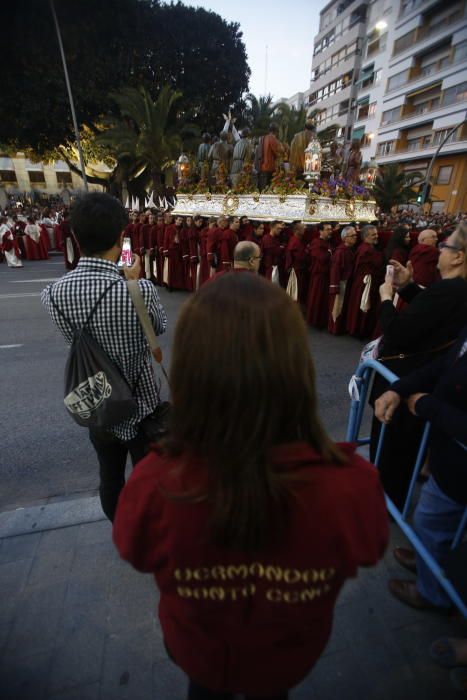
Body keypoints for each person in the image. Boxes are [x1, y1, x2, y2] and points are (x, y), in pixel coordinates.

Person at [113, 272, 388, 700]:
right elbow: (368, 550)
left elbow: (134, 550)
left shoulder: (154, 482)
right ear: (297, 365)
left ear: (190, 369)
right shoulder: (353, 484)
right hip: (289, 654)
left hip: (198, 648)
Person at [41, 193, 167, 521]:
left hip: (99, 401)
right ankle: (150, 532)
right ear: (121, 237)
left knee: (109, 476)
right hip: (141, 406)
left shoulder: (52, 294)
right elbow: (159, 328)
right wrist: (134, 284)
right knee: (151, 479)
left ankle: (120, 527)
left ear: (76, 237)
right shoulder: (140, 290)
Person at [370, 223, 467, 509]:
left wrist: (387, 298)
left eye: (445, 245)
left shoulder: (450, 290)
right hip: (423, 376)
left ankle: (381, 506)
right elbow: (433, 313)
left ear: (459, 256)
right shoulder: (455, 291)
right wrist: (408, 286)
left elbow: (399, 332)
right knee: (402, 452)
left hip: (408, 376)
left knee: (391, 452)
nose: (439, 250)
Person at [375, 320, 467, 613]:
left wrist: (428, 406)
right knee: (437, 527)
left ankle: (433, 593)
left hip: (459, 467)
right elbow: (446, 363)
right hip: (446, 454)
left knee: (429, 521)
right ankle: (428, 559)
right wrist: (399, 389)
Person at [346, 224, 383, 339]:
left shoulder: (367, 248)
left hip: (364, 282)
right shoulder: (366, 250)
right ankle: (359, 330)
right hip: (364, 283)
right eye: (373, 235)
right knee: (361, 305)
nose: (376, 236)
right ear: (366, 236)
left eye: (376, 234)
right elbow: (376, 264)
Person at [328, 226, 357, 335]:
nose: (355, 237)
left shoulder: (348, 250)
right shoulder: (340, 252)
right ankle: (334, 328)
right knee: (337, 306)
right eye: (352, 236)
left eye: (355, 235)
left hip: (346, 283)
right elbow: (335, 270)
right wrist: (335, 286)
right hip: (341, 283)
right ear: (345, 238)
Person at [306, 223, 332, 329]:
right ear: (320, 231)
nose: (330, 231)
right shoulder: (316, 242)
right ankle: (314, 321)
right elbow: (322, 258)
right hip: (318, 275)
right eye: (327, 229)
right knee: (317, 297)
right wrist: (330, 253)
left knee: (322, 298)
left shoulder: (327, 242)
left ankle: (320, 321)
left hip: (325, 275)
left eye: (330, 229)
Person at [285, 222, 309, 304]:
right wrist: (307, 251)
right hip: (296, 271)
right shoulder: (294, 241)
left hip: (299, 271)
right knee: (295, 293)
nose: (305, 229)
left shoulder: (298, 240)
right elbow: (300, 257)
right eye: (302, 228)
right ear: (296, 230)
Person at [163, 215, 185, 290]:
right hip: (171, 251)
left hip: (179, 251)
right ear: (175, 220)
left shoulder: (182, 229)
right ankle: (170, 285)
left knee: (178, 269)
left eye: (181, 220)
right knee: (170, 269)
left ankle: (177, 285)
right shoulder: (169, 228)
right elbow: (166, 240)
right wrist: (165, 251)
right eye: (179, 220)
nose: (180, 222)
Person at [259, 124, 282, 190]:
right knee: (269, 189)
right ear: (276, 131)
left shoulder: (264, 138)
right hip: (270, 166)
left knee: (263, 188)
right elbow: (278, 151)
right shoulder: (272, 138)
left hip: (262, 165)